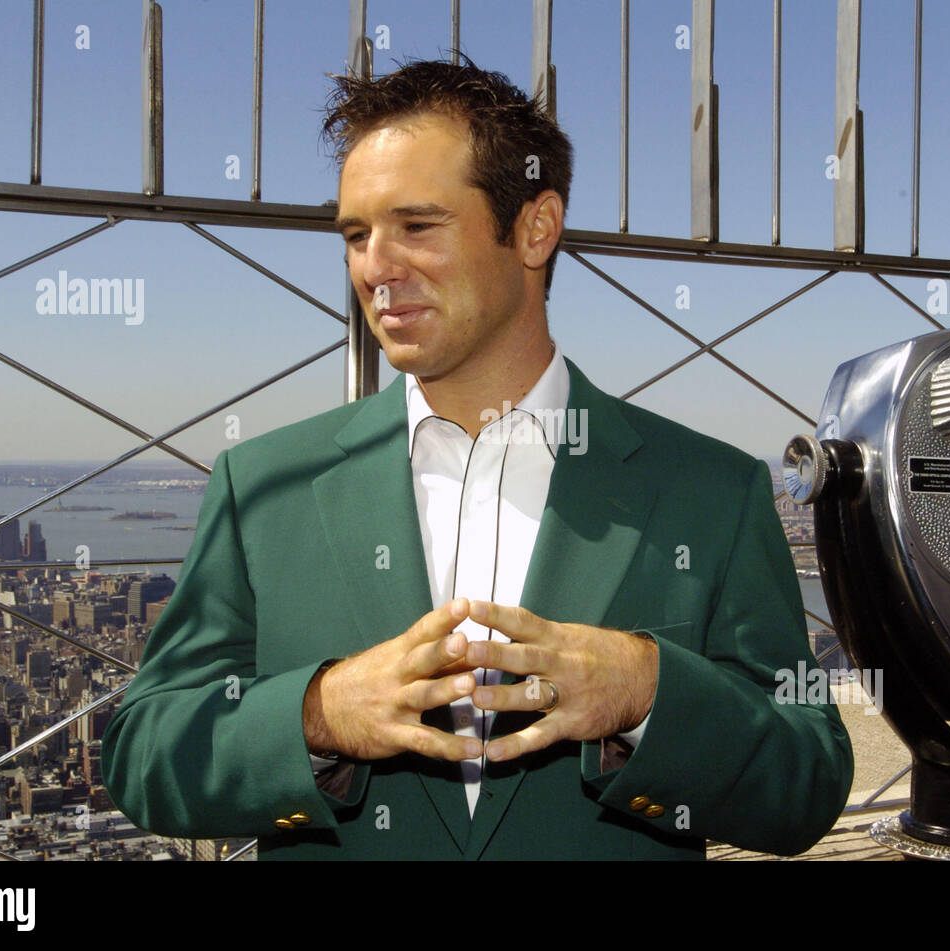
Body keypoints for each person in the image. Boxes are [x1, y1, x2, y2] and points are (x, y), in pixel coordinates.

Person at [101, 57, 853, 860]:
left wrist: (648, 692)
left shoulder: (713, 490)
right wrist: (318, 712)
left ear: (535, 227)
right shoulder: (261, 489)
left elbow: (804, 783)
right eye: (356, 235)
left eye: (416, 226)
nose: (374, 268)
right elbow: (143, 750)